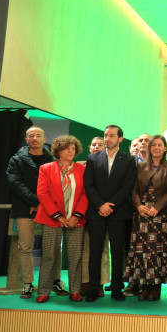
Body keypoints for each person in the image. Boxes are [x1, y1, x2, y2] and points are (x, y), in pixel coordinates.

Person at [6, 126, 65, 298]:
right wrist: (35, 201)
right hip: (25, 209)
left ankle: (55, 280)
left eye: (38, 135)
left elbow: (59, 184)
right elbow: (14, 182)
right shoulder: (16, 159)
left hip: (50, 210)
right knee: (25, 247)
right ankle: (28, 283)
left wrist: (44, 204)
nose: (34, 138)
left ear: (44, 138)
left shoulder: (53, 159)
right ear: (26, 139)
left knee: (54, 248)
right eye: (31, 136)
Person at [83, 125, 137, 302]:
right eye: (106, 136)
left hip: (118, 211)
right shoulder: (92, 157)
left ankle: (116, 288)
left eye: (111, 136)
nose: (107, 139)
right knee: (95, 251)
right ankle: (93, 287)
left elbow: (127, 186)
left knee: (117, 251)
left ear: (120, 139)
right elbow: (88, 184)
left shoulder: (128, 160)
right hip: (96, 211)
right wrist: (100, 204)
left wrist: (110, 206)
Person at [34, 136, 88, 303]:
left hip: (75, 220)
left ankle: (75, 291)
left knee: (75, 256)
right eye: (67, 148)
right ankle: (43, 291)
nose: (71, 151)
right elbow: (43, 194)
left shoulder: (82, 169)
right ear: (58, 151)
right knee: (49, 255)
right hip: (52, 218)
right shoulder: (46, 168)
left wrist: (76, 216)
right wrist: (58, 216)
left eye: (73, 148)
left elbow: (86, 194)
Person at [125, 135, 167, 301]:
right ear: (149, 148)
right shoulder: (140, 166)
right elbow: (133, 189)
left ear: (164, 148)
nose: (156, 148)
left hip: (161, 215)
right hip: (141, 214)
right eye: (153, 145)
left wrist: (157, 208)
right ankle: (144, 286)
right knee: (141, 252)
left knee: (158, 252)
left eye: (160, 145)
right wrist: (139, 206)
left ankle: (155, 287)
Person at [79, 137, 110, 297]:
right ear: (89, 148)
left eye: (101, 144)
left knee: (103, 249)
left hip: (100, 213)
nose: (97, 147)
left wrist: (101, 206)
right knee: (85, 250)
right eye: (94, 144)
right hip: (81, 214)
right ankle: (85, 282)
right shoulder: (78, 166)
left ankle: (100, 284)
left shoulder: (108, 165)